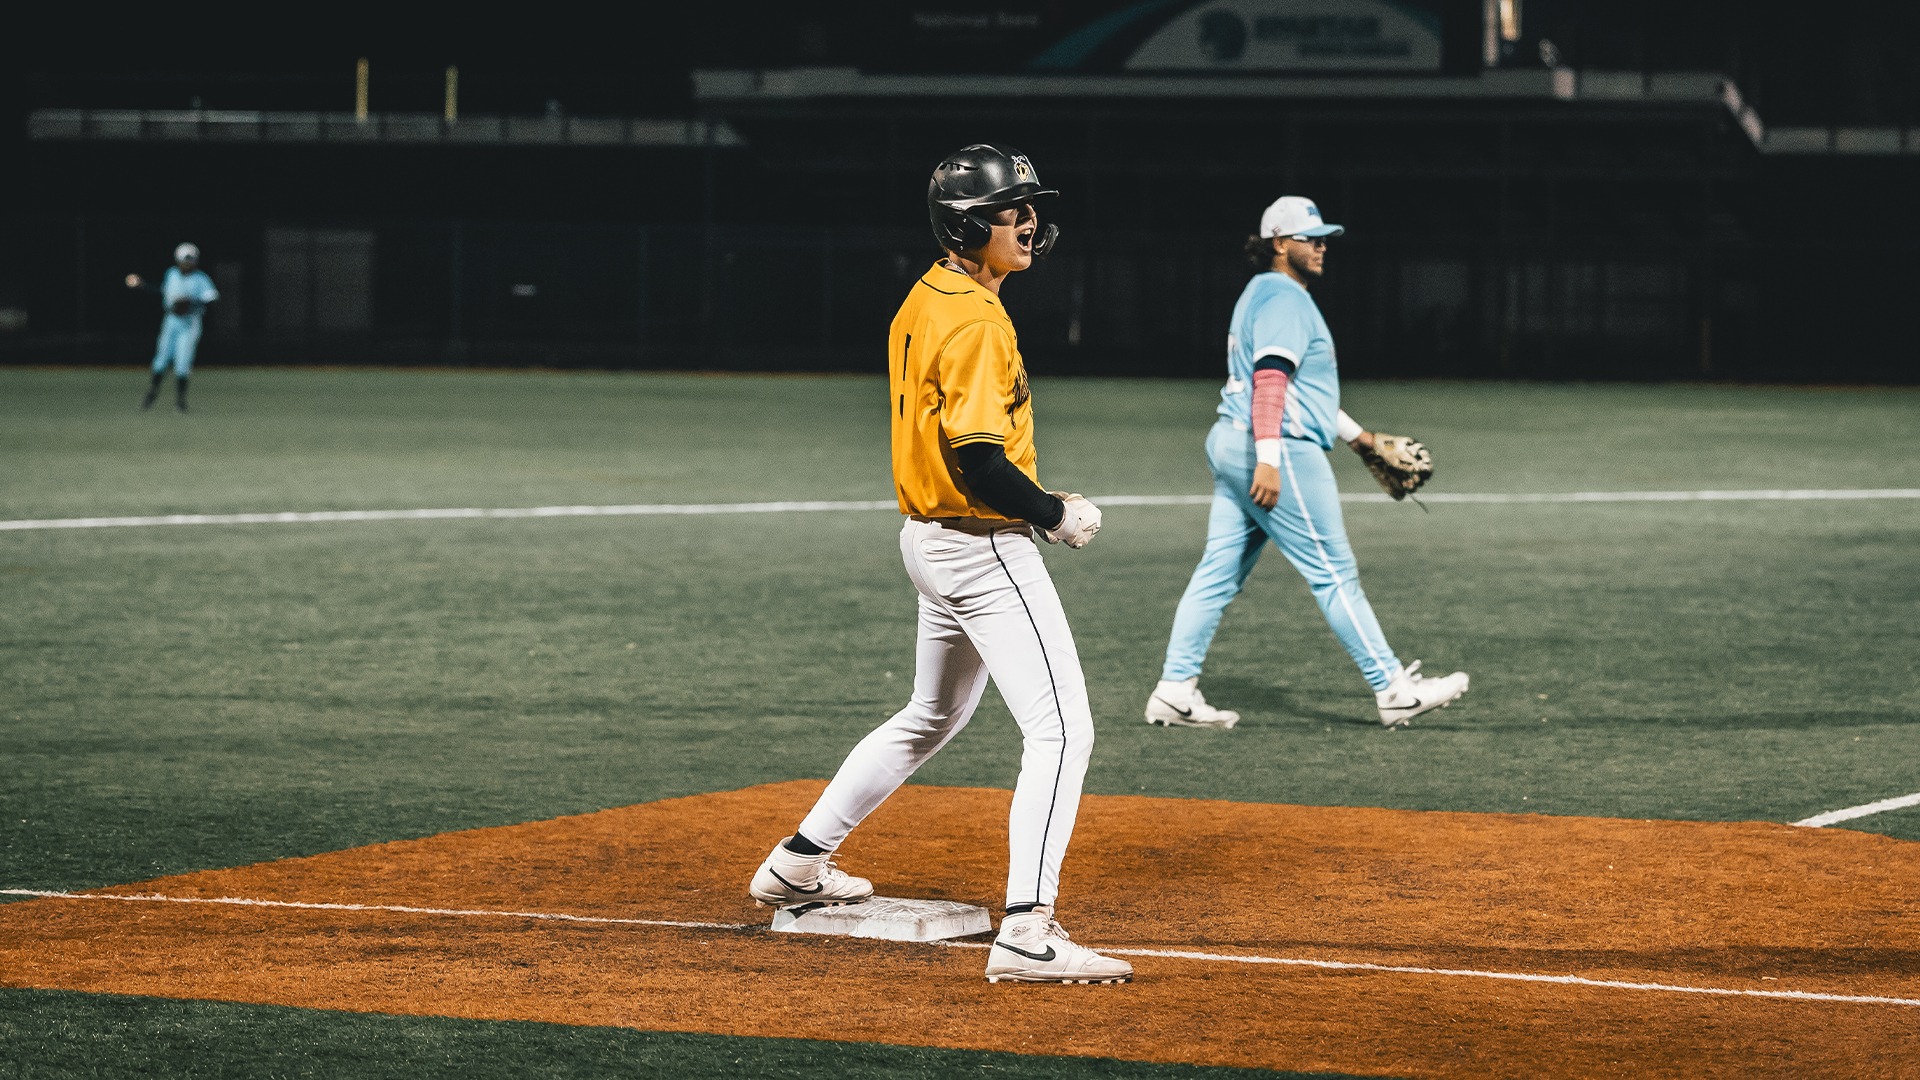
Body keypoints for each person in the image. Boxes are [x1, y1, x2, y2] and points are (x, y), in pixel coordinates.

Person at [748, 144, 1132, 985]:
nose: (1028, 220)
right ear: (967, 223)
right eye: (1010, 209)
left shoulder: (929, 294)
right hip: (981, 546)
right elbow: (979, 460)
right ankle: (1029, 931)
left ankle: (797, 865)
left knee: (933, 714)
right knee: (1063, 730)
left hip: (931, 544)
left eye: (1030, 205)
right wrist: (1055, 514)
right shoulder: (976, 318)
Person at [1143, 196, 1469, 730]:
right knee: (1334, 574)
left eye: (1323, 237)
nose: (1320, 245)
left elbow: (1301, 388)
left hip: (1232, 439)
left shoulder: (1260, 293)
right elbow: (1271, 379)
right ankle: (1393, 689)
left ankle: (1174, 690)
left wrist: (1360, 439)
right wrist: (1269, 460)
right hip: (1278, 448)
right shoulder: (1286, 299)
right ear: (1278, 243)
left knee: (1218, 572)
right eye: (1309, 236)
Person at [127, 243, 218, 412]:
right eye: (186, 260)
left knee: (183, 362)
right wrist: (142, 285)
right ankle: (152, 393)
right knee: (161, 359)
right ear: (178, 260)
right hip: (171, 321)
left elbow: (212, 298)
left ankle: (180, 401)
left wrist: (192, 302)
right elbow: (163, 291)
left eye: (192, 260)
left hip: (190, 322)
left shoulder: (200, 278)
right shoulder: (172, 274)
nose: (189, 263)